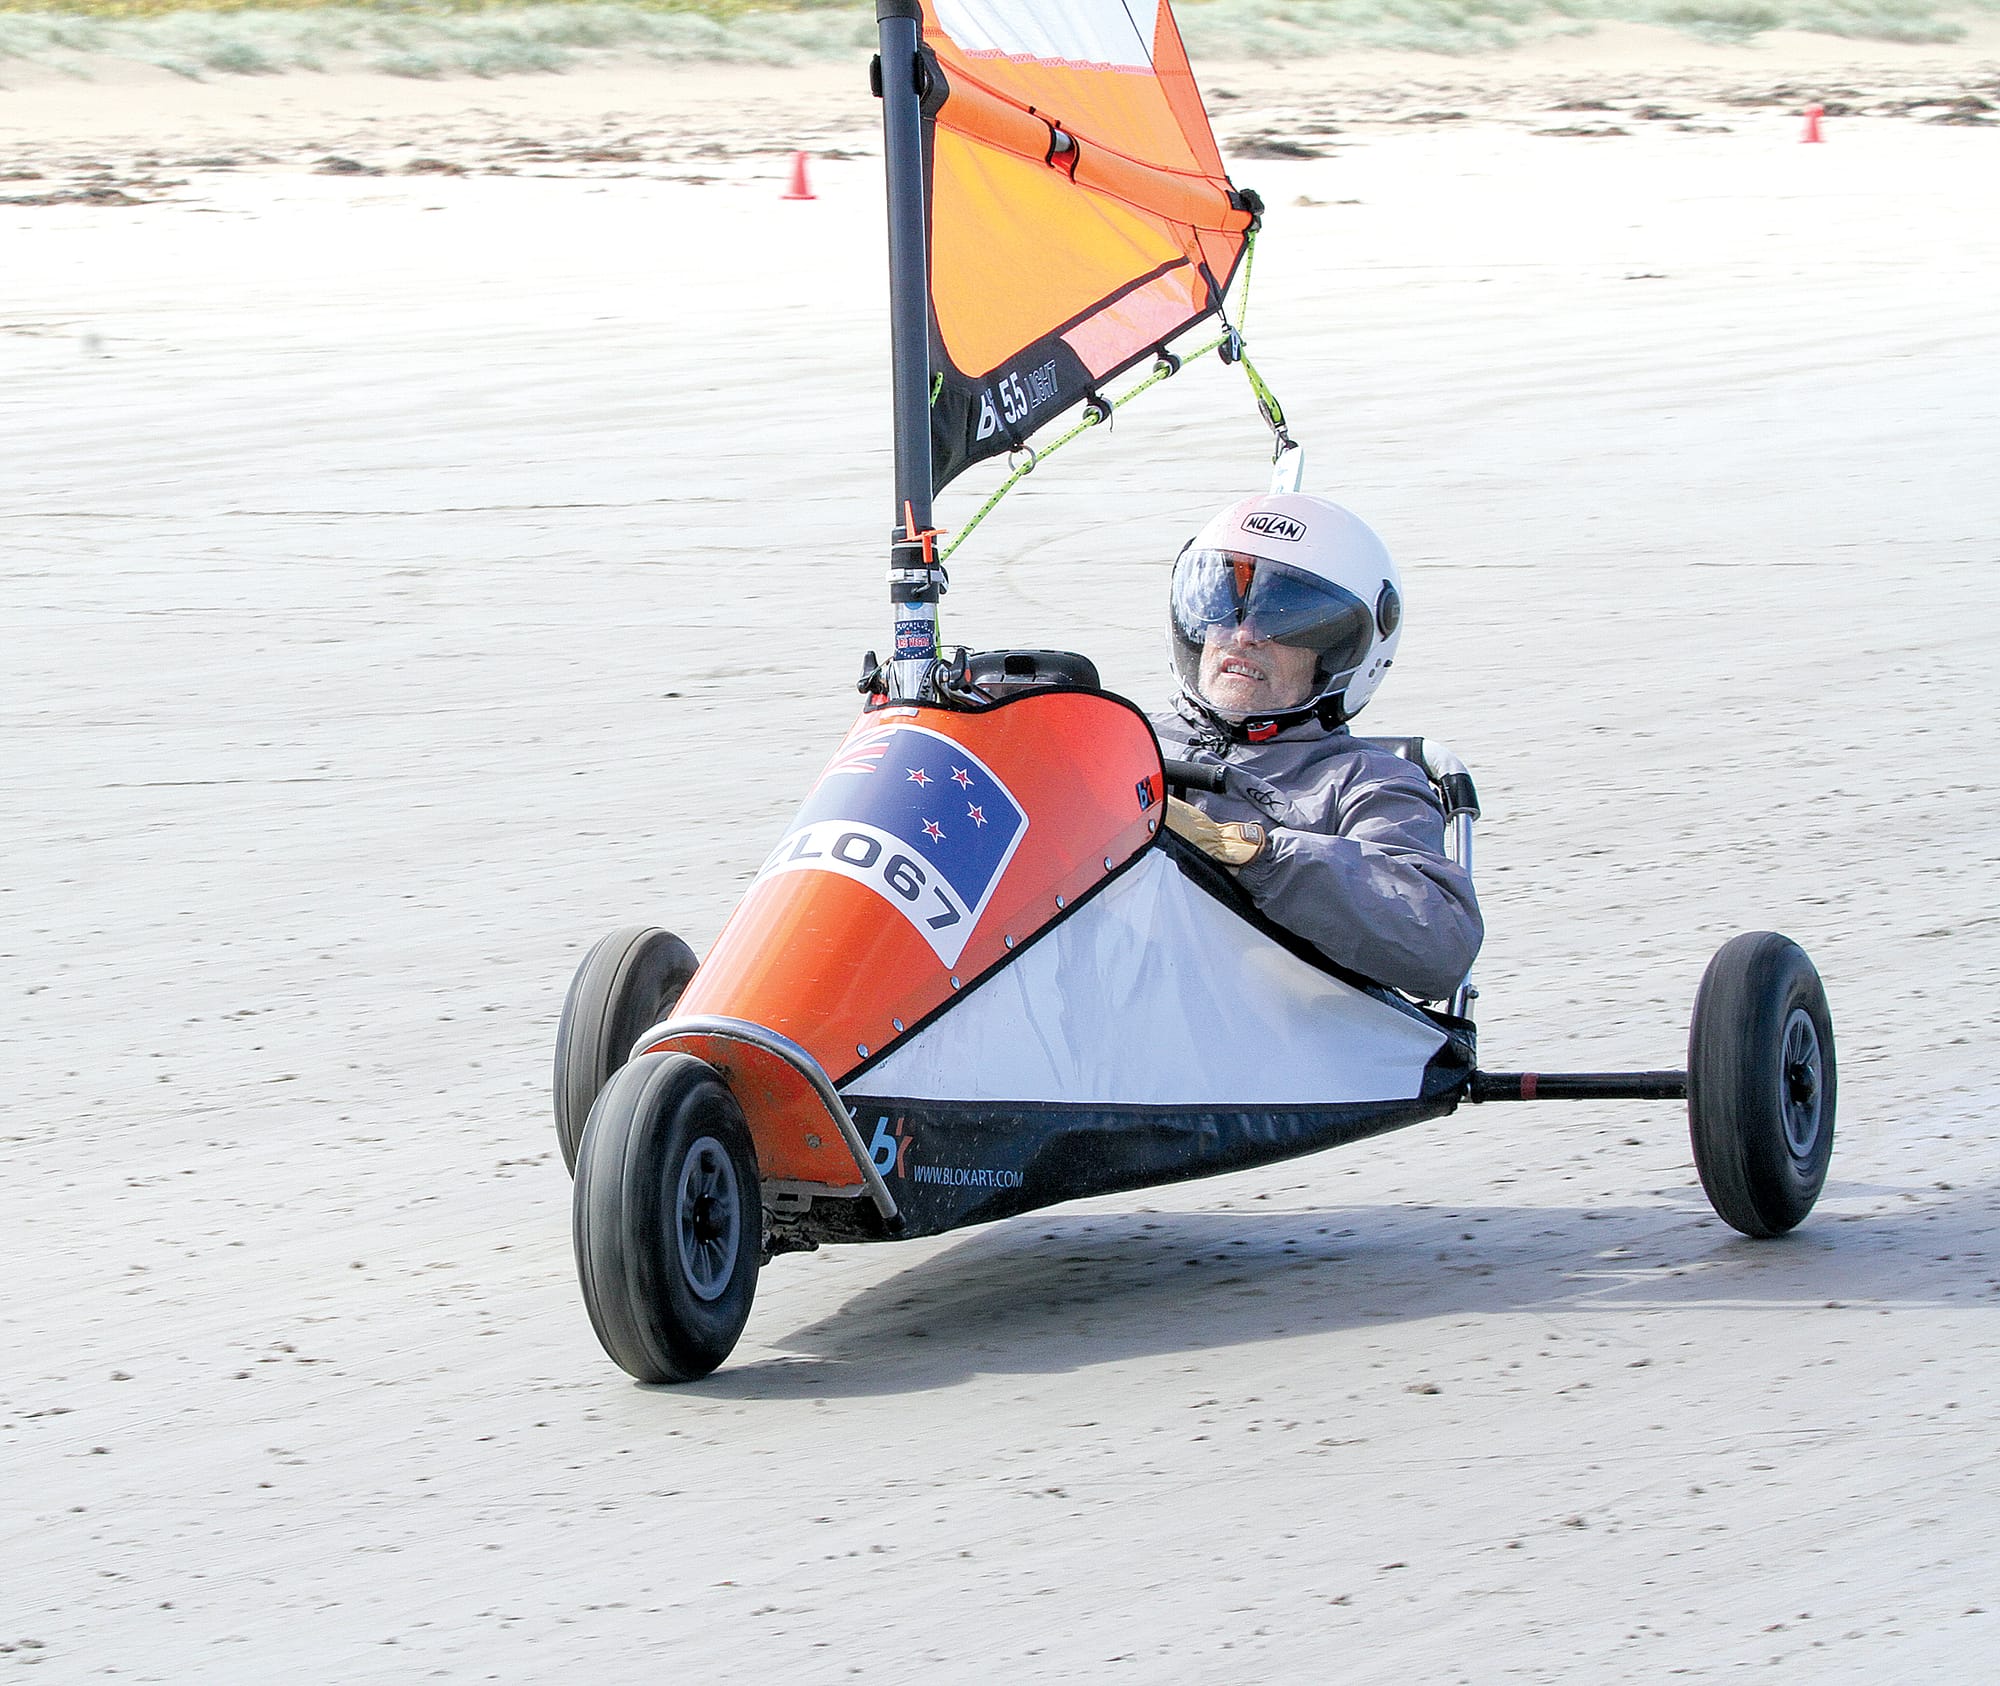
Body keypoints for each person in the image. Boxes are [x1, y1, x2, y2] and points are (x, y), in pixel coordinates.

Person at [1153, 492, 1483, 1003]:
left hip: (1258, 1041)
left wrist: (1250, 851)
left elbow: (1439, 940)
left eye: (1284, 618)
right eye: (1220, 605)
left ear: (1334, 652)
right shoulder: (1115, 736)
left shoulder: (1367, 781)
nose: (1243, 634)